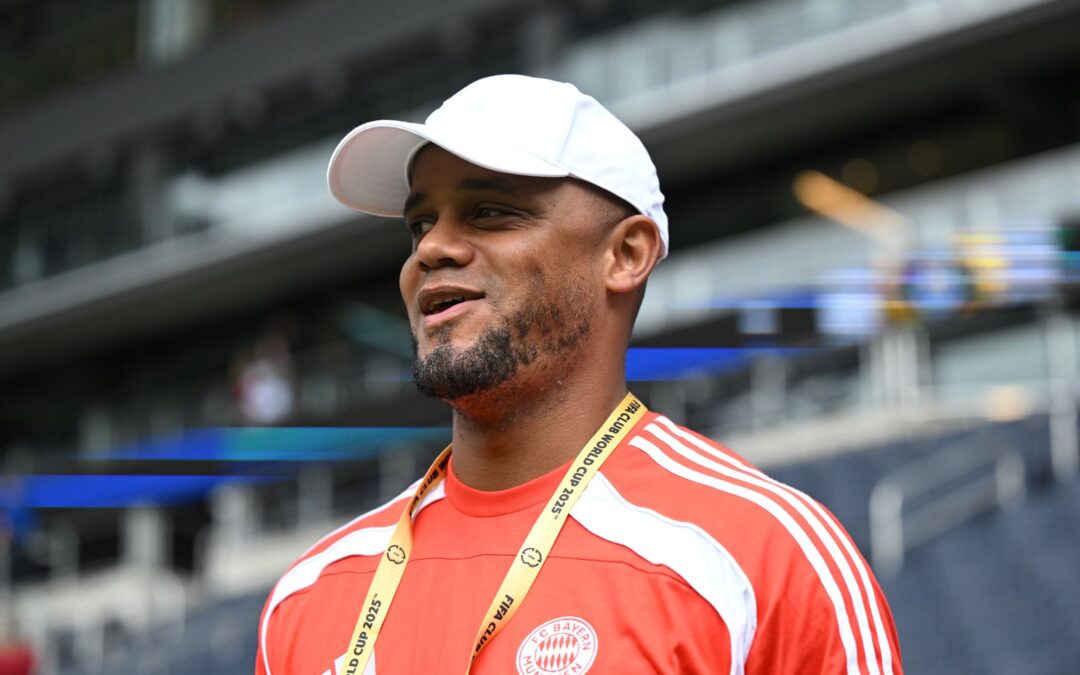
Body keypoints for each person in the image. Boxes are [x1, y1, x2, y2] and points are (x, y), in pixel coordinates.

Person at [256, 74, 903, 675]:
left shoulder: (762, 555)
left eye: (489, 212)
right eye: (421, 223)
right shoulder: (310, 591)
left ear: (624, 254)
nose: (430, 247)